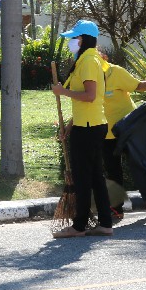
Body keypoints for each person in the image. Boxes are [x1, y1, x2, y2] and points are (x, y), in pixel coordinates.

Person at [51, 20, 114, 239]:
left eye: (74, 38)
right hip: (90, 124)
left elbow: (89, 96)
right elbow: (86, 104)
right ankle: (105, 223)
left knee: (83, 178)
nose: (71, 41)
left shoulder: (88, 61)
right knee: (96, 177)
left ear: (84, 39)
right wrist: (69, 126)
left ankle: (79, 226)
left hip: (88, 128)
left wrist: (62, 92)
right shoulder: (89, 59)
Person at [96, 44, 146, 221]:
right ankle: (116, 208)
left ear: (103, 59)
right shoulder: (88, 79)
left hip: (128, 127)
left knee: (141, 165)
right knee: (113, 171)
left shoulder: (116, 72)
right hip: (106, 132)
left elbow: (138, 85)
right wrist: (70, 126)